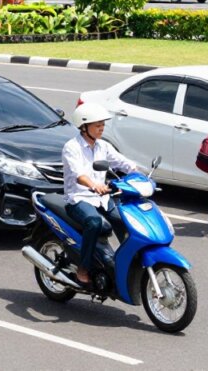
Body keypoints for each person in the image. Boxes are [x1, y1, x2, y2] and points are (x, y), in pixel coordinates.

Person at [62, 103, 138, 284]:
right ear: (84, 126)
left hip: (102, 198)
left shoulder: (103, 146)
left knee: (126, 219)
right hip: (78, 198)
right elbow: (78, 174)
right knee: (94, 222)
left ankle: (128, 260)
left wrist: (140, 175)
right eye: (97, 125)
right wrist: (94, 185)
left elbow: (123, 163)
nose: (101, 128)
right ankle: (84, 267)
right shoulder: (72, 147)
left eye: (103, 124)